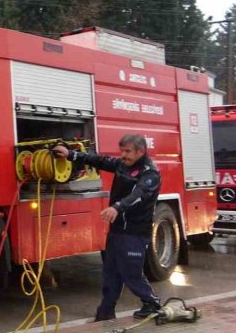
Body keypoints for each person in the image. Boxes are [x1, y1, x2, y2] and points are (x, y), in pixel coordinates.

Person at [52, 134, 162, 321]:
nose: (123, 155)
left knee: (130, 272)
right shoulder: (122, 165)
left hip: (135, 232)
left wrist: (117, 207)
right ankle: (106, 312)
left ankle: (151, 303)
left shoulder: (150, 173)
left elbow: (138, 195)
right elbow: (99, 160)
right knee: (111, 272)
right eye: (122, 151)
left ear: (140, 151)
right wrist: (70, 154)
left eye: (128, 151)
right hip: (117, 230)